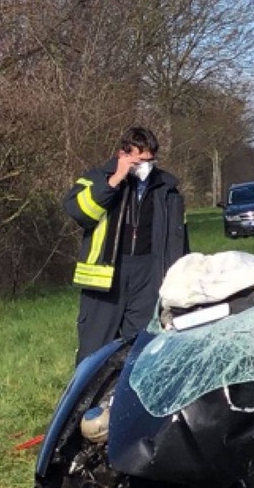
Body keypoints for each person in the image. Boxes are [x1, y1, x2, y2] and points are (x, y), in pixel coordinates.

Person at [64, 125, 188, 364]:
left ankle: (128, 398)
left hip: (149, 276)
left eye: (151, 160)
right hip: (105, 278)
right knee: (94, 351)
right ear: (123, 155)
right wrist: (114, 181)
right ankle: (90, 399)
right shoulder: (97, 179)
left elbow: (178, 239)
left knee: (144, 349)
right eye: (139, 161)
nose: (146, 167)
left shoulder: (167, 189)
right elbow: (79, 213)